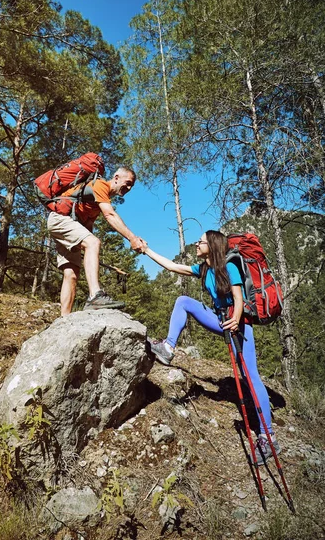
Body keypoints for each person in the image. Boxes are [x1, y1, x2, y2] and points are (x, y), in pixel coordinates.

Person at [143, 230, 281, 465]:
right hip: (220, 320)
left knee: (251, 376)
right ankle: (168, 347)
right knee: (183, 301)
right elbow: (174, 267)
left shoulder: (230, 267)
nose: (196, 245)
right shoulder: (204, 269)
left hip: (238, 325)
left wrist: (236, 320)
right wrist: (146, 251)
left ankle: (268, 438)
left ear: (213, 245)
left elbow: (238, 298)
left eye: (201, 242)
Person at [47, 166, 145, 316]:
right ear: (116, 177)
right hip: (61, 219)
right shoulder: (100, 185)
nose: (129, 187)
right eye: (128, 182)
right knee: (93, 243)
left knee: (71, 273)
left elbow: (88, 224)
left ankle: (64, 319)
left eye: (132, 185)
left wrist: (87, 249)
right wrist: (132, 238)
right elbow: (110, 215)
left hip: (67, 222)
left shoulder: (98, 199)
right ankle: (95, 296)